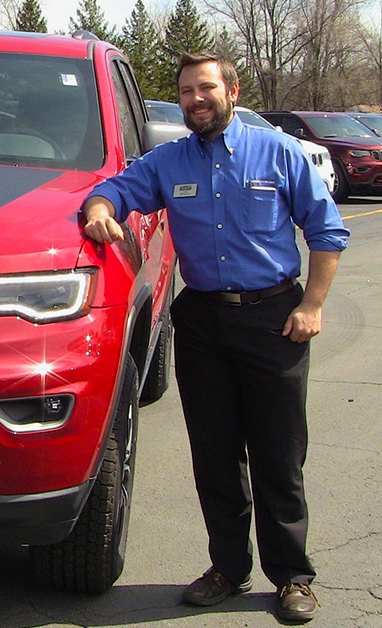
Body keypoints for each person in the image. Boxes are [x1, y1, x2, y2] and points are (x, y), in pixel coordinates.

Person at [81, 51, 349, 623]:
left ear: (231, 89)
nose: (195, 100)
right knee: (215, 454)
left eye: (205, 88)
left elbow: (328, 231)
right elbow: (113, 192)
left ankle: (293, 578)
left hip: (273, 318)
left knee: (279, 454)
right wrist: (99, 212)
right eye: (185, 92)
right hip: (202, 320)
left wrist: (313, 305)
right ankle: (228, 568)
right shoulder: (168, 160)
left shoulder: (277, 151)